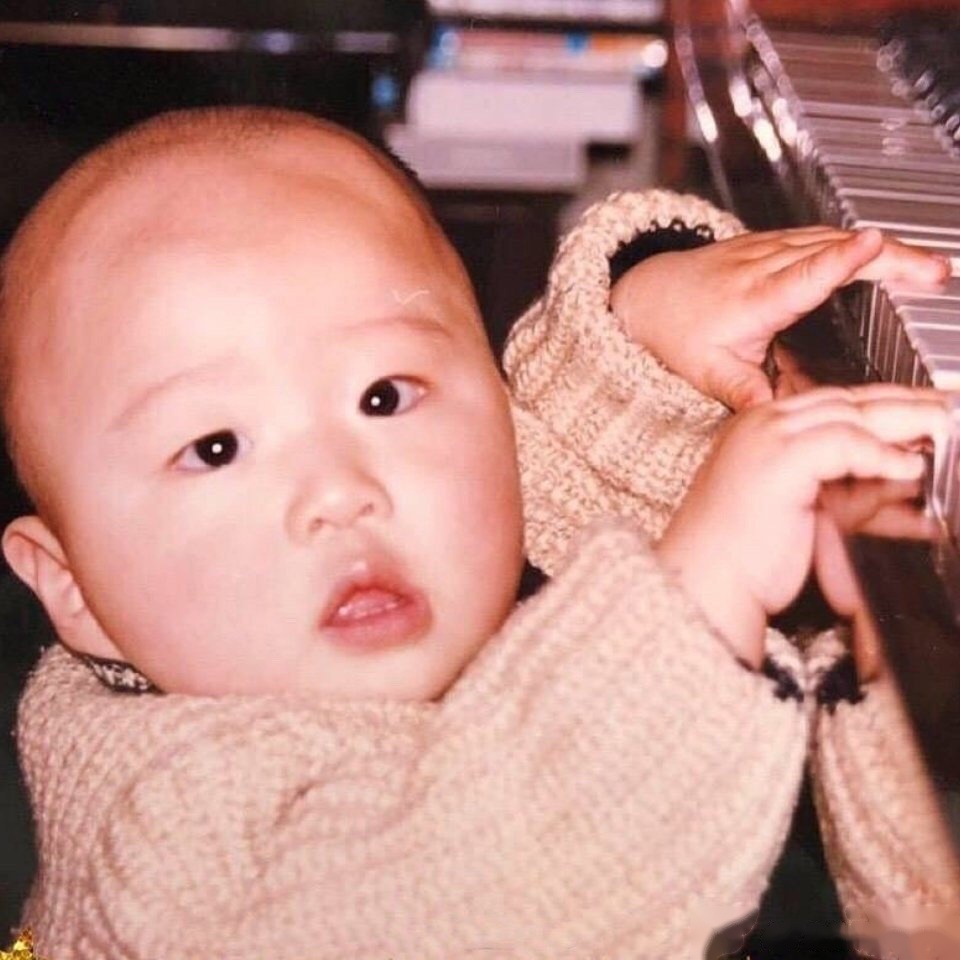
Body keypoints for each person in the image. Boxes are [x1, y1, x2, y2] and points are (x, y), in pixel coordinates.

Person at [0, 106, 952, 958]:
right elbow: (457, 904)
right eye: (215, 448)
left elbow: (547, 488)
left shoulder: (305, 619)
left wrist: (651, 343)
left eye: (383, 396)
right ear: (72, 589)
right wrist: (695, 607)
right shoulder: (155, 844)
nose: (341, 491)